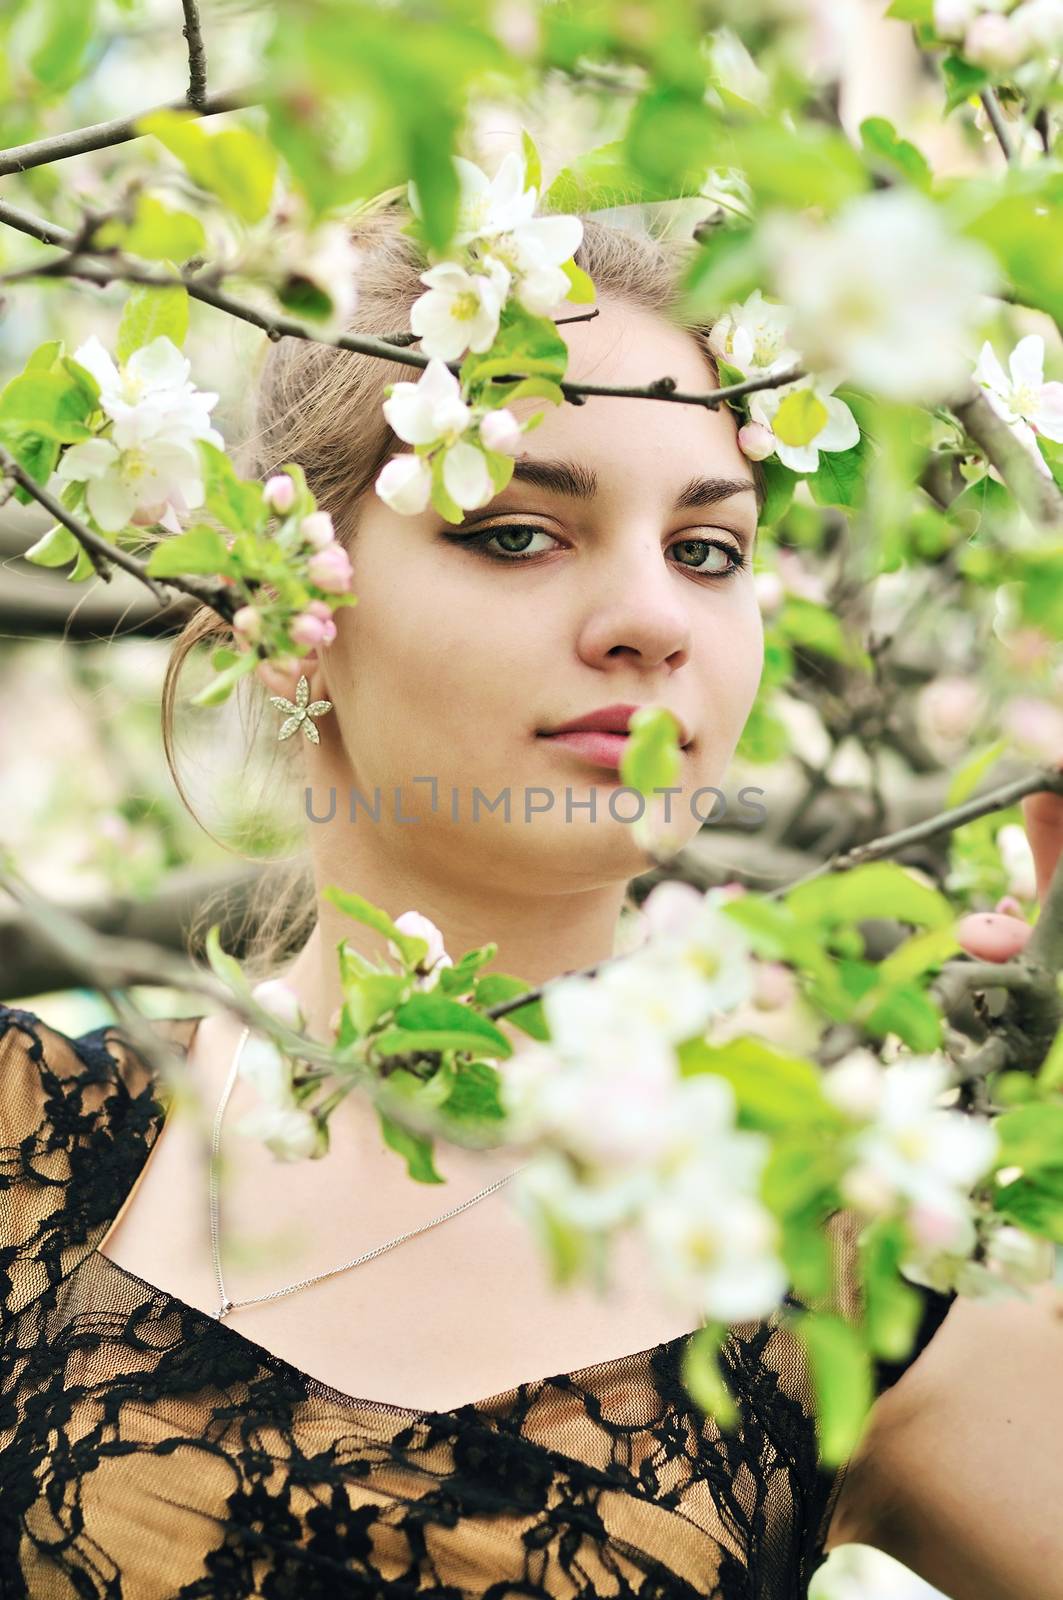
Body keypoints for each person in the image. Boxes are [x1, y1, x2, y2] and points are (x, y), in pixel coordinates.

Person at [1, 208, 1060, 1600]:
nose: (653, 617)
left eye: (707, 550)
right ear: (281, 614)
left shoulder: (844, 1258)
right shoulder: (32, 1131)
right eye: (514, 532)